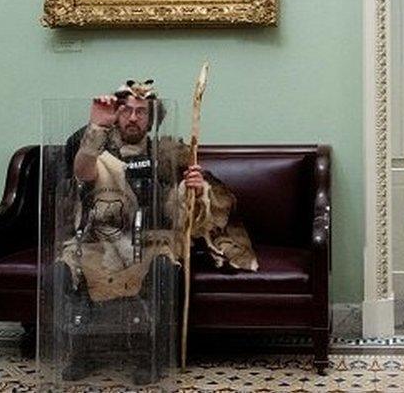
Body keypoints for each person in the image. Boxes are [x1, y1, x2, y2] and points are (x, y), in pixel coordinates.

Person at [55, 79, 256, 384]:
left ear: (151, 120)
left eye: (141, 112)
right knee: (63, 270)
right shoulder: (96, 148)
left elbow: (187, 210)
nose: (133, 117)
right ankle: (80, 352)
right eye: (126, 111)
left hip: (151, 242)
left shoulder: (167, 157)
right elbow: (83, 169)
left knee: (165, 269)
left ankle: (150, 356)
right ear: (117, 115)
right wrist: (96, 127)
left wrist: (190, 189)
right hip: (100, 241)